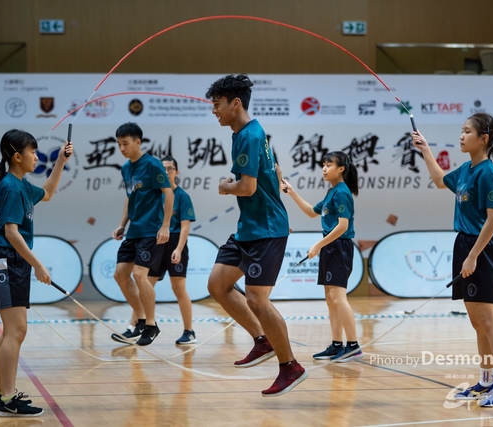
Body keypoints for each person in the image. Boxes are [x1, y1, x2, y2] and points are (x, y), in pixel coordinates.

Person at [205, 74, 307, 397]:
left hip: (265, 229)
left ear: (235, 103)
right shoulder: (244, 134)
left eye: (217, 104)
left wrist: (225, 187)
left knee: (256, 299)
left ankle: (290, 366)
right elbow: (272, 173)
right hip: (249, 228)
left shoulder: (249, 135)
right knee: (217, 284)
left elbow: (247, 187)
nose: (214, 111)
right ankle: (262, 340)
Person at [412, 113, 493, 408]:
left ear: (483, 139)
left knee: (489, 321)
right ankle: (486, 381)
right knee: (477, 322)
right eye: (461, 130)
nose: (461, 136)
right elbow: (438, 180)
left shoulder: (487, 172)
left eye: (467, 131)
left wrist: (473, 256)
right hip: (465, 244)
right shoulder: (465, 169)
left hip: (480, 250)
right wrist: (425, 149)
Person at [0, 129, 73, 417]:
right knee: (16, 330)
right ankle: (9, 399)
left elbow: (47, 193)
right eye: (33, 152)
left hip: (10, 261)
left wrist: (60, 161)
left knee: (11, 331)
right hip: (8, 260)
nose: (37, 157)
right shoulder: (11, 187)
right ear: (16, 156)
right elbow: (11, 233)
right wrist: (38, 264)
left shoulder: (21, 184)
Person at [281, 151, 364, 362]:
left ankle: (353, 346)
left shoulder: (342, 193)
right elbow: (311, 212)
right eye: (323, 165)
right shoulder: (331, 192)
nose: (324, 169)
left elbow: (342, 226)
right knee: (330, 299)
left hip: (339, 247)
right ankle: (336, 345)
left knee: (338, 298)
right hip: (330, 247)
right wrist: (291, 192)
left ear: (341, 169)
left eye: (329, 165)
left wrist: (318, 245)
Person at [115, 156, 197, 345]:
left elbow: (185, 226)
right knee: (143, 282)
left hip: (174, 242)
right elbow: (131, 200)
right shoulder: (154, 193)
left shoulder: (182, 196)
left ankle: (189, 331)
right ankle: (135, 326)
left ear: (176, 172)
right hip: (156, 240)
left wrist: (178, 249)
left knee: (178, 288)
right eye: (163, 168)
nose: (166, 172)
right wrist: (122, 225)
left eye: (170, 169)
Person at [110, 122, 173, 347]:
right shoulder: (126, 168)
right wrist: (122, 224)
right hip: (134, 231)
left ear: (138, 142)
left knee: (139, 275)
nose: (122, 148)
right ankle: (141, 320)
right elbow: (130, 198)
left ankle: (151, 325)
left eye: (125, 143)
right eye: (119, 144)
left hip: (151, 231)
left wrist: (165, 226)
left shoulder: (153, 165)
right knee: (120, 274)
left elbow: (168, 194)